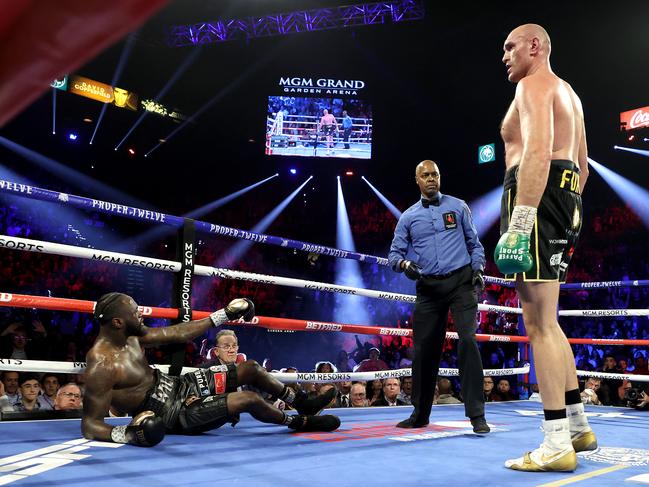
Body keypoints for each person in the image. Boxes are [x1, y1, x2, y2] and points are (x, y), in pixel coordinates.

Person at [495, 24, 593, 472]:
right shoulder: (569, 93)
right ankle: (576, 426)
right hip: (566, 196)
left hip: (536, 195)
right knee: (549, 322)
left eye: (511, 47)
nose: (505, 56)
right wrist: (562, 210)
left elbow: (534, 151)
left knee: (538, 324)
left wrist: (520, 223)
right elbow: (584, 166)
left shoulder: (534, 83)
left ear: (536, 46)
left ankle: (555, 444)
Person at [82, 292, 340, 447]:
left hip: (180, 386)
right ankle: (298, 422)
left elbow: (176, 332)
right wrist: (129, 435)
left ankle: (302, 402)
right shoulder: (102, 364)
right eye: (135, 313)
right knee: (249, 398)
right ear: (117, 322)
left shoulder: (131, 336)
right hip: (175, 413)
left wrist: (223, 314)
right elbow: (91, 426)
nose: (141, 315)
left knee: (249, 367)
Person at [388, 159, 488, 434]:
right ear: (417, 180)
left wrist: (478, 269)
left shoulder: (458, 206)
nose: (431, 179)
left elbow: (474, 244)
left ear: (440, 177)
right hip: (429, 288)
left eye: (435, 174)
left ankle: (477, 415)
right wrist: (405, 265)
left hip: (461, 283)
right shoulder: (408, 217)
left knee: (468, 340)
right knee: (423, 351)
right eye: (425, 175)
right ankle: (420, 415)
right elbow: (394, 256)